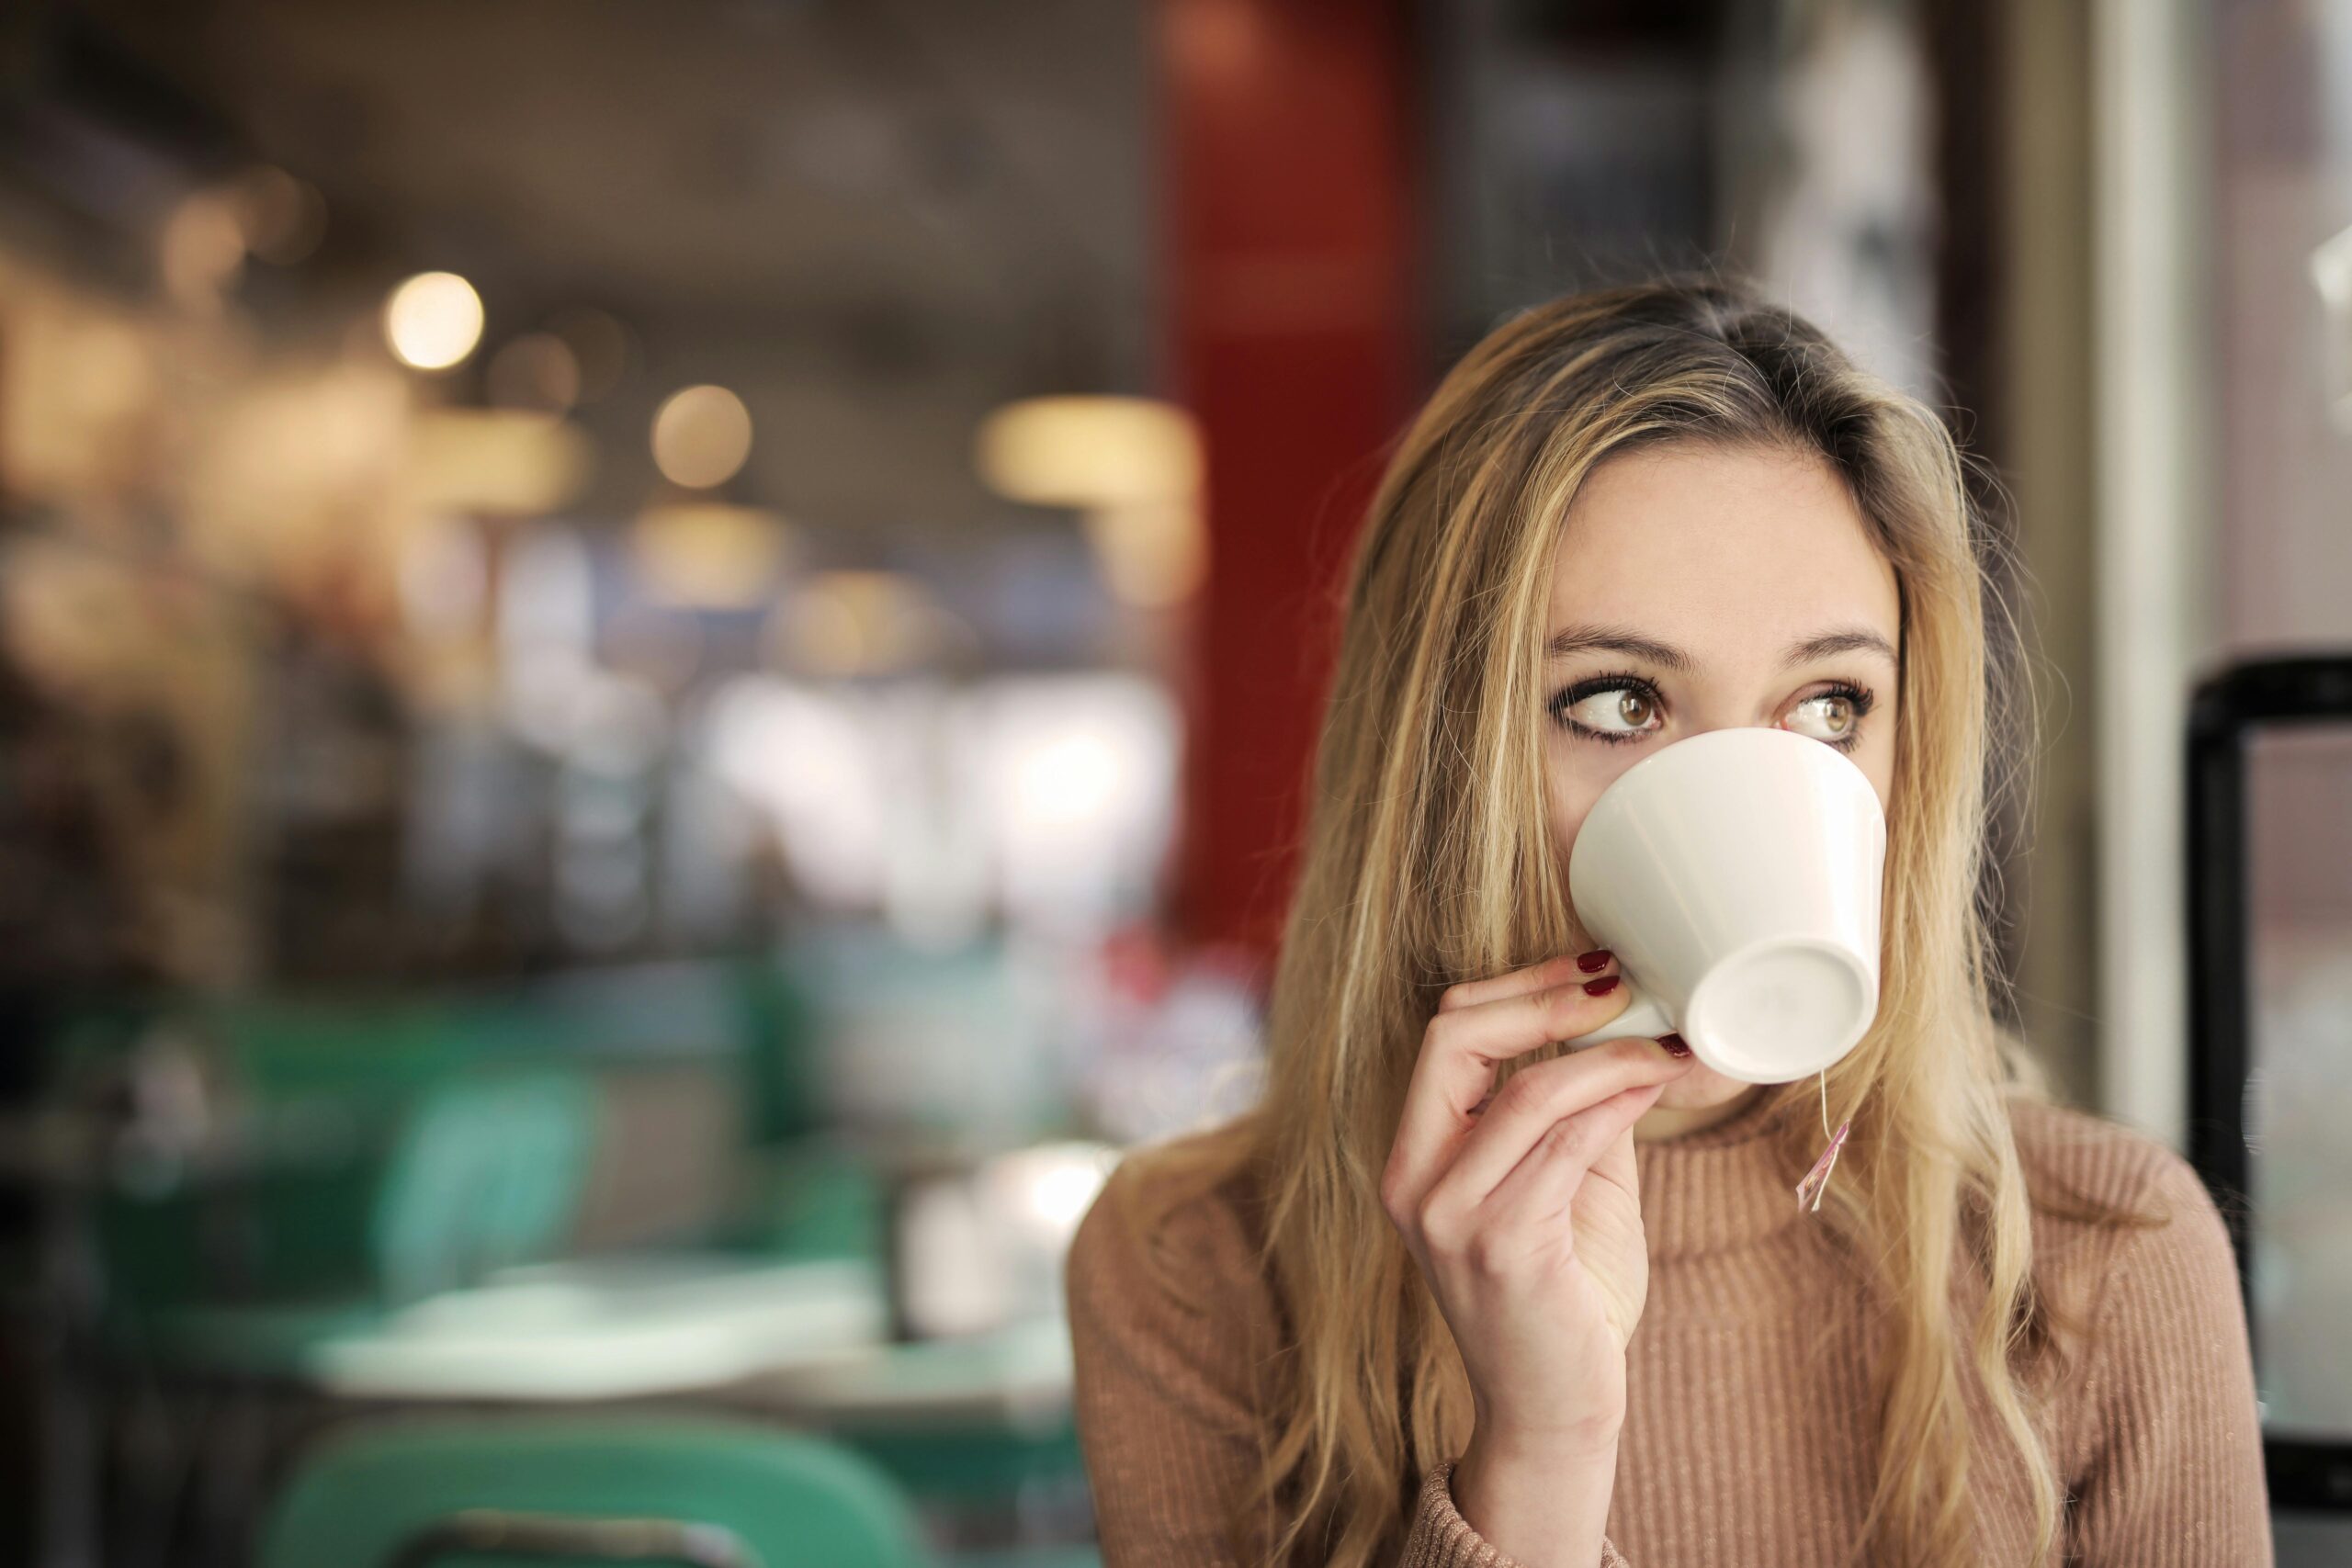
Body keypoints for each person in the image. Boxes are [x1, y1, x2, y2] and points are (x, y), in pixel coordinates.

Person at [1062, 276, 2272, 1567]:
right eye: (1620, 701)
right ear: (1433, 761)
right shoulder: (1195, 1263)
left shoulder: (2106, 1254)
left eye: (1827, 707)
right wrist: (1538, 1449)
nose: (1749, 798)